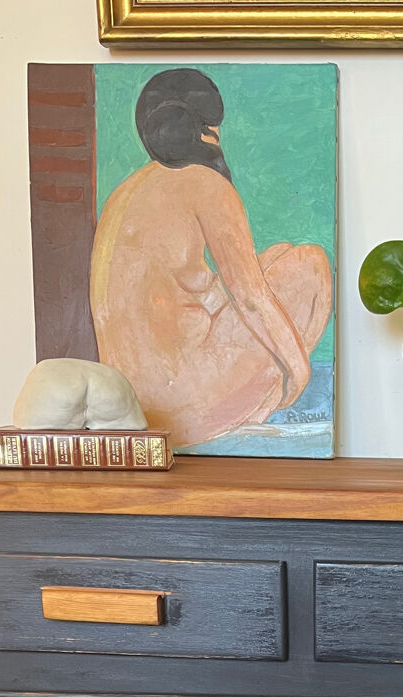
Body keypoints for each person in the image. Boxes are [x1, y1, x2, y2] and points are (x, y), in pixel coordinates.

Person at [90, 68, 332, 447]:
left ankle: (244, 404)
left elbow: (190, 287)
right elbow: (250, 297)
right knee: (310, 264)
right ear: (205, 130)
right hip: (185, 405)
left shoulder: (124, 193)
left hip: (135, 406)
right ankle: (259, 408)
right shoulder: (205, 183)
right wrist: (299, 369)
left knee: (278, 256)